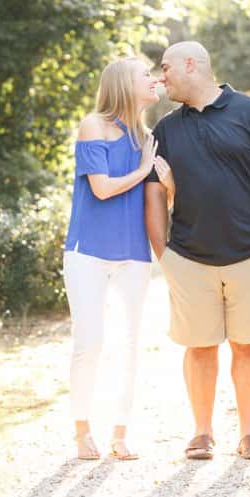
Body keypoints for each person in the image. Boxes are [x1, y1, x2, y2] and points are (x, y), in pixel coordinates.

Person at [145, 41, 250, 461]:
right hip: (189, 258)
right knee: (199, 346)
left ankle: (249, 435)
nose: (161, 76)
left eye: (166, 67)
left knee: (248, 345)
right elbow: (155, 194)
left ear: (192, 64)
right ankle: (202, 433)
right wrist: (164, 252)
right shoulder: (166, 130)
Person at [63, 57, 172, 461]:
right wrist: (144, 168)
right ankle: (81, 430)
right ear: (125, 84)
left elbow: (156, 199)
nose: (154, 78)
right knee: (89, 343)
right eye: (146, 73)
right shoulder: (94, 125)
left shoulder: (147, 136)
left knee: (130, 343)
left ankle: (120, 433)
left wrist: (166, 181)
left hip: (132, 254)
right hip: (87, 252)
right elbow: (103, 189)